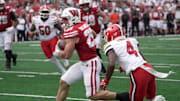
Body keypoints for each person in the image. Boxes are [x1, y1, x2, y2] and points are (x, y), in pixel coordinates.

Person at [55, 7, 129, 101]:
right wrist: (81, 42)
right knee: (64, 82)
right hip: (85, 62)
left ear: (73, 18)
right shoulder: (83, 24)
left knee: (93, 95)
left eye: (65, 19)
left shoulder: (72, 31)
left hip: (91, 63)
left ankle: (123, 97)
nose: (63, 22)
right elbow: (93, 34)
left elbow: (67, 55)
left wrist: (57, 51)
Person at [100, 24, 174, 101]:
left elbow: (111, 63)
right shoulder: (131, 40)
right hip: (149, 69)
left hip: (139, 73)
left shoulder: (111, 44)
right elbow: (140, 57)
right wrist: (125, 66)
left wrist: (106, 80)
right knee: (152, 98)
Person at [30, 5, 69, 73]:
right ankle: (63, 71)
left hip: (52, 38)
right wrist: (32, 32)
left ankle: (64, 58)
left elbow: (60, 28)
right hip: (43, 41)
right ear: (40, 12)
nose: (44, 13)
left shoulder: (53, 19)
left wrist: (62, 35)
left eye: (46, 12)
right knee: (51, 59)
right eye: (43, 12)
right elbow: (32, 29)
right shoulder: (35, 20)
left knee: (55, 53)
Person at [79, 0, 109, 74]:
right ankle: (97, 66)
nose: (85, 6)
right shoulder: (80, 13)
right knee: (89, 51)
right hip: (87, 34)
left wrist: (105, 25)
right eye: (83, 5)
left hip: (97, 32)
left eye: (86, 4)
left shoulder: (95, 10)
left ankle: (101, 67)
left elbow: (105, 16)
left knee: (96, 50)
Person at [0, 0, 18, 71]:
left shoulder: (9, 11)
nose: (1, 6)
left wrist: (13, 27)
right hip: (0, 32)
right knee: (3, 48)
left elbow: (16, 20)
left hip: (7, 31)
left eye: (2, 4)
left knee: (7, 47)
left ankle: (8, 64)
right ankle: (13, 56)